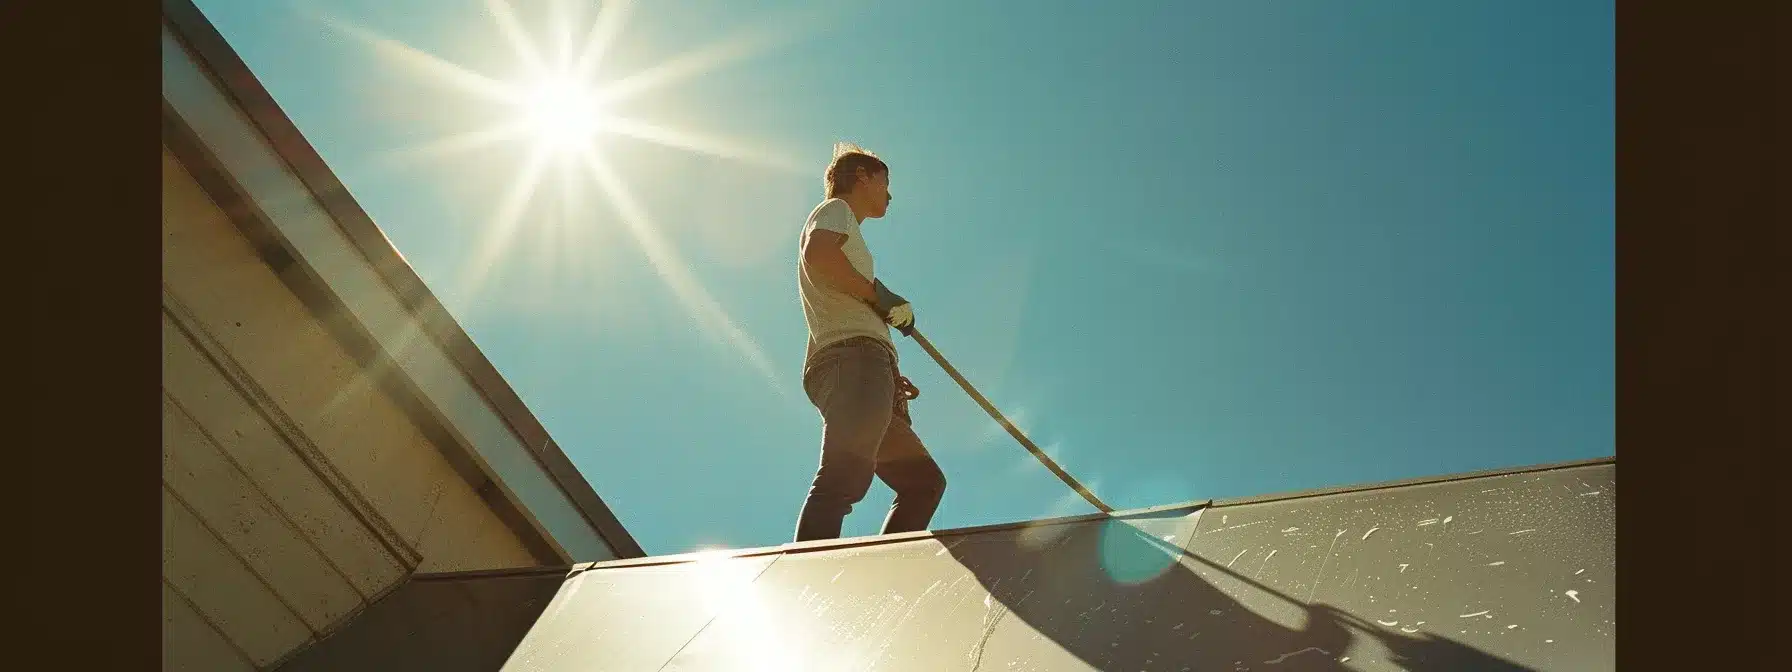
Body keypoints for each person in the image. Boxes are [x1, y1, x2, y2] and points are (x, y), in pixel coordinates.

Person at [791, 143, 947, 542]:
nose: (889, 194)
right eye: (885, 182)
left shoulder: (849, 231)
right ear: (862, 176)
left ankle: (883, 569)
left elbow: (847, 289)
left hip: (867, 365)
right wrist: (880, 297)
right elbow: (820, 255)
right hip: (854, 359)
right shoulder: (836, 211)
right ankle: (809, 578)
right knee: (844, 475)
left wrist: (889, 372)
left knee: (923, 483)